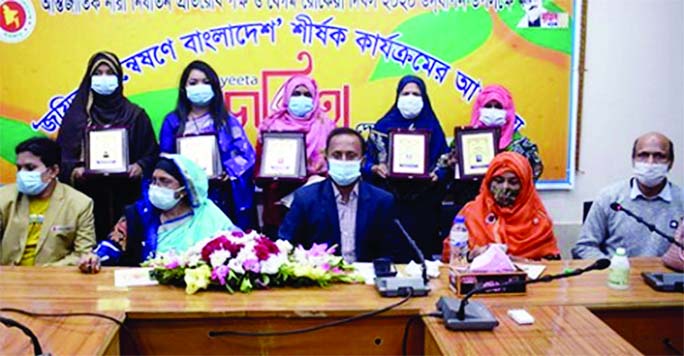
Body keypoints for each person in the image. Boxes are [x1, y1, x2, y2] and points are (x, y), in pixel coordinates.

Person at [57, 51, 159, 240]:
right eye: (98, 73)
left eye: (109, 72)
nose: (104, 78)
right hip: (87, 199)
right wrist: (75, 170)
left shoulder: (135, 115)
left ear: (119, 78)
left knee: (126, 247)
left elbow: (152, 153)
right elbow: (60, 158)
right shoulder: (77, 116)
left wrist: (140, 166)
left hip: (127, 196)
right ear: (89, 78)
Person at [78, 154, 239, 272]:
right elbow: (112, 245)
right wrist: (95, 257)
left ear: (184, 189)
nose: (156, 186)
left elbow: (237, 246)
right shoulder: (139, 214)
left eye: (165, 181)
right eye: (154, 180)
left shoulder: (208, 215)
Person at [279, 128, 403, 262]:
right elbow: (287, 244)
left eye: (351, 155)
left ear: (362, 161)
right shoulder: (306, 198)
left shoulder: (382, 201)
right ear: (326, 159)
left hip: (367, 278)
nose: (343, 160)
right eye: (337, 155)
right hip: (321, 277)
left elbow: (391, 251)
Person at [159, 60, 256, 230]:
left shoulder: (227, 121)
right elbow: (164, 160)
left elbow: (247, 155)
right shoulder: (172, 122)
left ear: (215, 88)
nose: (199, 87)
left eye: (206, 82)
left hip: (220, 196)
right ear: (184, 88)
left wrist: (229, 171)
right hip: (185, 197)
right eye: (193, 82)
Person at [364, 75, 449, 257]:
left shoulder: (433, 127)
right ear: (398, 96)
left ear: (424, 98)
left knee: (420, 252)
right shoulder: (382, 126)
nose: (410, 98)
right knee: (389, 250)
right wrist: (374, 168)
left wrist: (438, 174)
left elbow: (444, 160)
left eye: (416, 94)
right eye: (406, 93)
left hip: (423, 203)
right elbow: (365, 161)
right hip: (389, 201)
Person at [573, 132, 683, 259]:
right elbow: (585, 246)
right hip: (615, 274)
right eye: (643, 155)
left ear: (670, 162)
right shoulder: (609, 197)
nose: (650, 163)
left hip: (666, 276)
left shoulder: (681, 200)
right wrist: (613, 268)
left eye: (659, 156)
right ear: (633, 160)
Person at [256, 74, 336, 237]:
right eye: (296, 93)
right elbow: (258, 173)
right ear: (286, 97)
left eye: (307, 95)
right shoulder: (271, 126)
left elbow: (335, 167)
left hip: (315, 207)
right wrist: (273, 174)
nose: (301, 98)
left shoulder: (326, 126)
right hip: (277, 207)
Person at [441, 84, 544, 207]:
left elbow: (533, 175)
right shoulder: (463, 140)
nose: (493, 111)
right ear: (479, 109)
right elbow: (445, 171)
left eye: (498, 107)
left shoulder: (522, 146)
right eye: (488, 106)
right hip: (471, 206)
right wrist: (453, 165)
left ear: (508, 111)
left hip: (508, 210)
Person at [443, 152, 560, 261]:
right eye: (498, 180)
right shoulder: (470, 213)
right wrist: (471, 256)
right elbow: (450, 257)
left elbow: (552, 264)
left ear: (525, 187)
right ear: (488, 182)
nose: (505, 187)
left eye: (513, 182)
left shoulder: (538, 220)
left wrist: (520, 262)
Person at [1, 138, 95, 266]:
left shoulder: (80, 204)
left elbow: (83, 254)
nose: (22, 174)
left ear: (53, 171)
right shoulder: (3, 197)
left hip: (54, 279)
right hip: (8, 278)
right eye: (19, 168)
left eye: (30, 168)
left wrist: (46, 272)